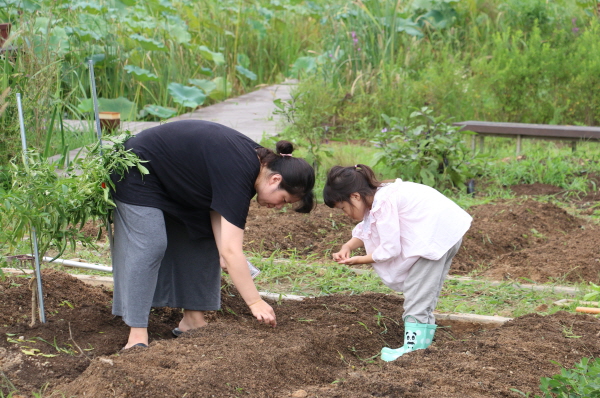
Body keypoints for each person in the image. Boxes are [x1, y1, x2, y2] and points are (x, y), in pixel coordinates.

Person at [109, 120, 315, 349]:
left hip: (174, 181)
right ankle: (136, 335)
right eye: (283, 200)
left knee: (202, 235)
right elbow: (231, 249)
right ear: (275, 180)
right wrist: (255, 302)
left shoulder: (253, 167)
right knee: (151, 244)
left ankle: (192, 320)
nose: (278, 207)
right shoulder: (241, 171)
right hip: (137, 167)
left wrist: (224, 251)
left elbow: (219, 224)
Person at [323, 164, 471, 361]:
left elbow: (390, 249)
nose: (346, 214)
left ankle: (412, 351)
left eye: (343, 208)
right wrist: (348, 246)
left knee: (417, 293)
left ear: (355, 197)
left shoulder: (383, 203)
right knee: (425, 293)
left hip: (432, 238)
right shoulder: (381, 196)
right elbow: (369, 226)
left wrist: (361, 259)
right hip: (444, 234)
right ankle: (422, 346)